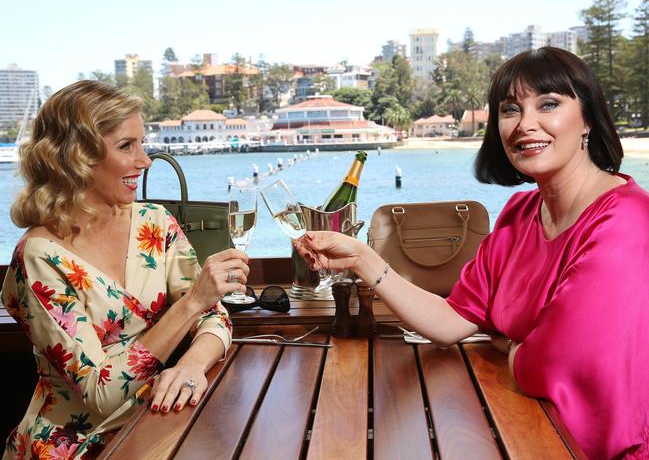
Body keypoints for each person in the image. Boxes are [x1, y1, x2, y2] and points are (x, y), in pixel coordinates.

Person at [296, 47, 649, 459]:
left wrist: (511, 347)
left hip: (599, 449)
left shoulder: (627, 220)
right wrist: (361, 258)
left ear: (587, 117)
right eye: (510, 109)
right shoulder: (520, 214)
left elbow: (553, 366)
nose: (525, 124)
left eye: (548, 104)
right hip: (527, 427)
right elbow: (452, 320)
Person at [0, 80, 249, 459]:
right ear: (76, 158)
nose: (145, 160)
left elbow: (215, 316)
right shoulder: (39, 258)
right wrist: (190, 304)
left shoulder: (155, 222)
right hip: (80, 445)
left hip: (161, 426)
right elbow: (102, 393)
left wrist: (193, 366)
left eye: (141, 142)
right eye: (126, 146)